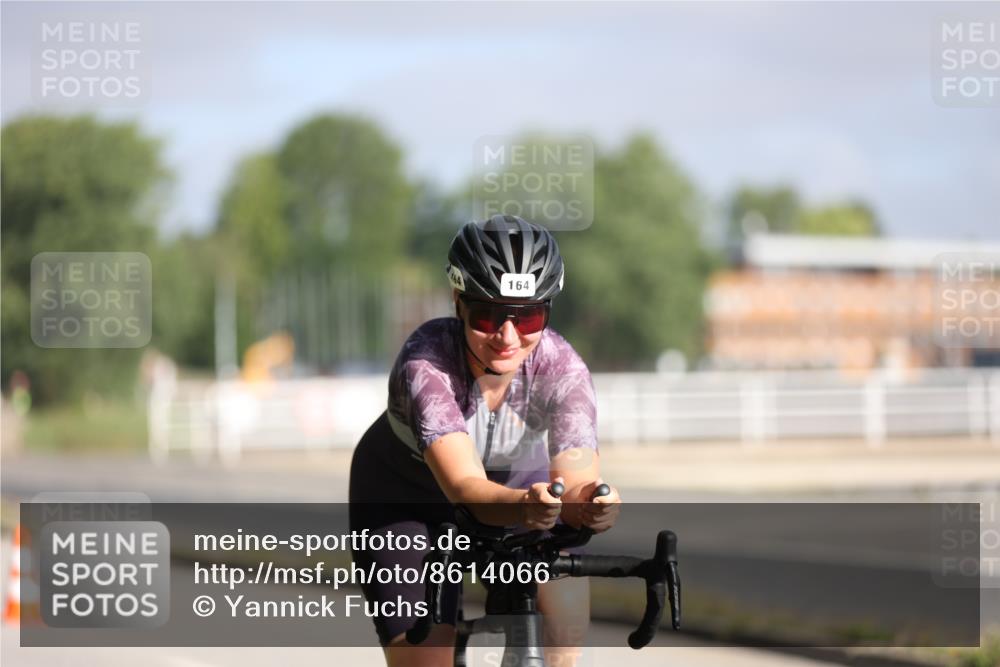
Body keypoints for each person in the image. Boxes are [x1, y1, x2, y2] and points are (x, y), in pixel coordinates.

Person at [349, 214, 620, 667]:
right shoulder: (427, 363)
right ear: (458, 302)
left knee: (563, 632)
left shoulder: (563, 368)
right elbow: (465, 488)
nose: (508, 336)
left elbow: (574, 484)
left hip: (519, 490)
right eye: (488, 315)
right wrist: (528, 506)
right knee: (426, 658)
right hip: (406, 497)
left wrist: (592, 502)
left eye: (529, 316)